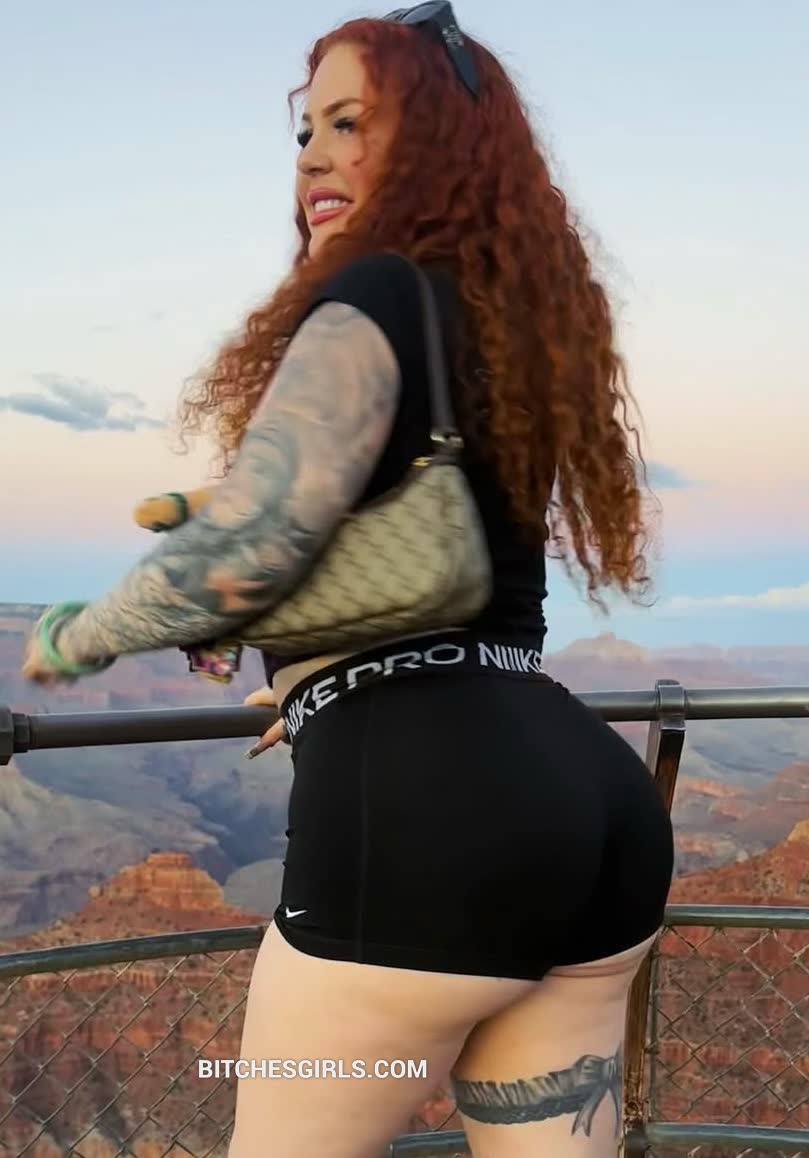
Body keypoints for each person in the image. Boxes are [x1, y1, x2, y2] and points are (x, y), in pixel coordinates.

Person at [22, 4, 674, 1156]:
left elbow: (246, 554)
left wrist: (78, 631)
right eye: (305, 129)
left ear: (435, 145)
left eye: (353, 123)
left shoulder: (373, 294)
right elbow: (436, 575)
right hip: (589, 808)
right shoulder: (503, 330)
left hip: (422, 834)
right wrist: (316, 681)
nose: (314, 157)